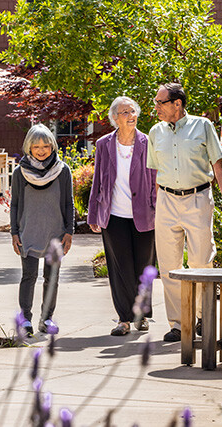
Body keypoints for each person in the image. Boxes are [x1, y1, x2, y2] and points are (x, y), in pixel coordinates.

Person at [147, 82, 222, 342]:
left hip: (198, 198)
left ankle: (201, 316)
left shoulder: (203, 126)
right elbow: (156, 174)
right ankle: (178, 323)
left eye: (160, 102)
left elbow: (219, 169)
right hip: (166, 201)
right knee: (169, 265)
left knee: (201, 261)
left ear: (178, 103)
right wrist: (157, 205)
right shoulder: (155, 132)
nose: (156, 108)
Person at [88, 96, 157, 336]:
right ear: (115, 118)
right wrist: (93, 214)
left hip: (144, 215)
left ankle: (142, 314)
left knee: (143, 266)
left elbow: (156, 180)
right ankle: (124, 319)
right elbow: (98, 180)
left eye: (133, 111)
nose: (131, 115)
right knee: (119, 268)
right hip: (113, 214)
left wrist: (159, 210)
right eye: (125, 112)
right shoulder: (104, 144)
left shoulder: (149, 143)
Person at [10, 124, 74, 335]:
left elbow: (68, 203)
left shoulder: (63, 171)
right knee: (28, 276)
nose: (41, 150)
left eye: (46, 145)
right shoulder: (20, 173)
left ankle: (46, 319)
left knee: (52, 278)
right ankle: (25, 319)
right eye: (36, 146)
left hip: (55, 234)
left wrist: (69, 231)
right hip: (28, 232)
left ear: (52, 146)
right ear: (29, 147)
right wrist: (14, 232)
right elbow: (16, 204)